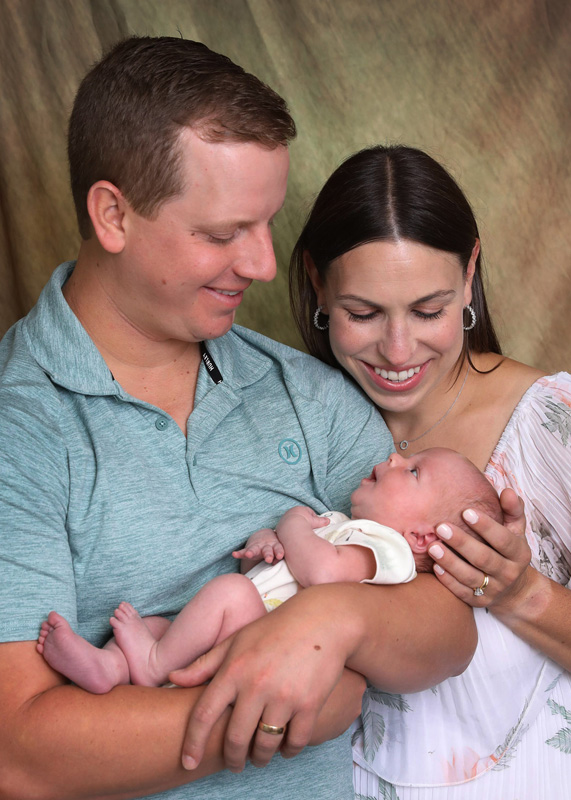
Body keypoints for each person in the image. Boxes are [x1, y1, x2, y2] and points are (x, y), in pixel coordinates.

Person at [0, 39, 488, 800]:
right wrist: (286, 711)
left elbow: (447, 632)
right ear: (113, 215)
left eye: (266, 224)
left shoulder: (304, 391)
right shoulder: (20, 428)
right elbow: (18, 754)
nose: (263, 264)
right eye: (225, 233)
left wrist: (334, 626)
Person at [290, 144, 571, 798]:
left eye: (427, 310)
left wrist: (521, 595)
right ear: (317, 283)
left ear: (469, 275)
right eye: (363, 313)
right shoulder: (293, 419)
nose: (397, 351)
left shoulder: (549, 424)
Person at [36, 447, 501, 694]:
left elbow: (321, 573)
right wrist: (269, 543)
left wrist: (291, 523)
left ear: (420, 537)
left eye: (414, 471)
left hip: (265, 642)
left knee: (229, 593)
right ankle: (109, 667)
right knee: (160, 624)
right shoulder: (342, 525)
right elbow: (292, 567)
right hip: (247, 624)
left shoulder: (390, 552)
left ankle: (152, 665)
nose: (396, 458)